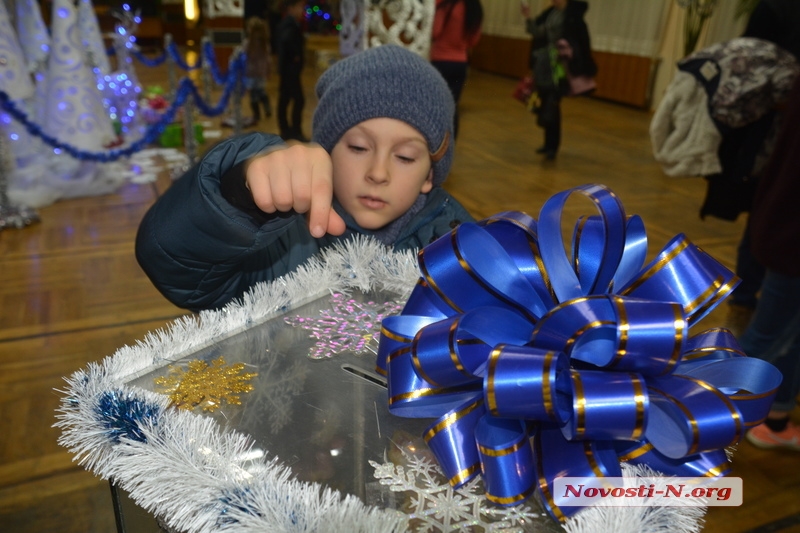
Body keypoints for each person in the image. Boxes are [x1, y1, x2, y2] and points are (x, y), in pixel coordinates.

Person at [135, 45, 475, 312]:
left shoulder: (464, 253)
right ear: (325, 152)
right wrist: (239, 195)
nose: (377, 173)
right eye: (358, 147)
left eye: (404, 156)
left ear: (429, 175)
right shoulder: (282, 242)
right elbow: (174, 263)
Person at [740, 74, 800, 451]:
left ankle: (775, 419)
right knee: (772, 335)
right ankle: (688, 419)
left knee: (785, 333)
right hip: (793, 235)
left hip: (783, 222)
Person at [521, 0, 596, 160]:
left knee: (553, 103)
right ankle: (548, 143)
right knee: (545, 101)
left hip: (561, 67)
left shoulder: (573, 17)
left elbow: (581, 42)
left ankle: (552, 146)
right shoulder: (551, 13)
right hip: (546, 64)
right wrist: (528, 17)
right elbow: (538, 32)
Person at [430, 0, 483, 139]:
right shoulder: (475, 8)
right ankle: (451, 142)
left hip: (440, 60)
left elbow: (435, 32)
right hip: (461, 63)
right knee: (453, 105)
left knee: (436, 104)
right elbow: (473, 41)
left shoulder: (446, 4)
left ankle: (436, 141)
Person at [276, 0, 307, 141]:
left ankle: (288, 130)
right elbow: (287, 41)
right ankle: (293, 131)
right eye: (300, 7)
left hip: (289, 70)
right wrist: (296, 56)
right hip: (290, 70)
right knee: (297, 100)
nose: (302, 10)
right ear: (292, 8)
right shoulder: (289, 24)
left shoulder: (291, 23)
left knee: (286, 99)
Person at [242, 17, 273, 127]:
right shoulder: (263, 43)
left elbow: (243, 57)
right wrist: (268, 71)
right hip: (259, 72)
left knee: (253, 94)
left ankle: (257, 114)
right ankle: (266, 107)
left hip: (251, 73)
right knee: (260, 91)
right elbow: (268, 59)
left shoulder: (248, 43)